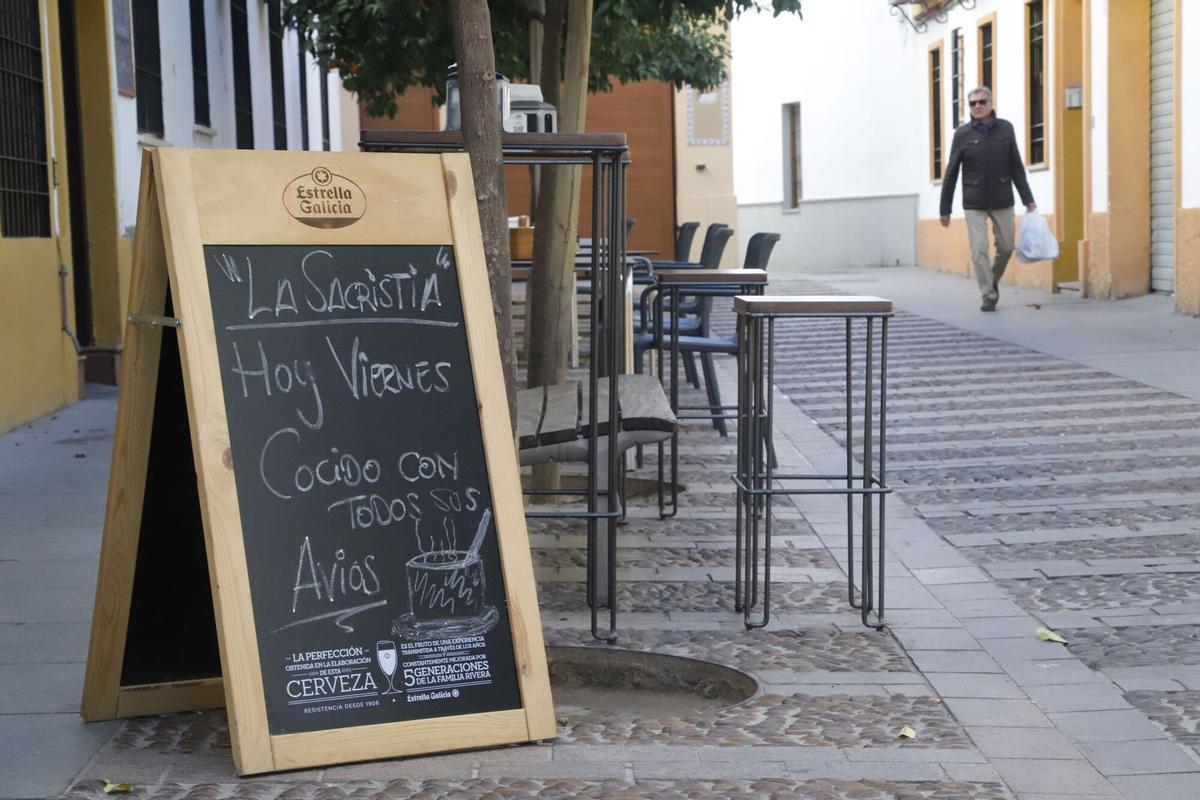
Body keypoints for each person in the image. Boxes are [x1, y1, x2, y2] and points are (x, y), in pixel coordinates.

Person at [939, 86, 1036, 312]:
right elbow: (951, 172)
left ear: (991, 104)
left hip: (1002, 197)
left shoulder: (1006, 129)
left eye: (982, 102)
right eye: (973, 103)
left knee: (1007, 246)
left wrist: (1028, 199)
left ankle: (991, 279)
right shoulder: (962, 134)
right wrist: (945, 209)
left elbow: (1016, 167)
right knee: (979, 249)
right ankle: (988, 294)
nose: (978, 106)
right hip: (974, 202)